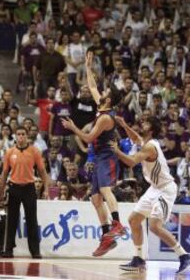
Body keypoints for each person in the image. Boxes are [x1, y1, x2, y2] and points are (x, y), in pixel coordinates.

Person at [111, 116, 190, 274]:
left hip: (166, 189)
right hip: (155, 188)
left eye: (146, 122)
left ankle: (184, 256)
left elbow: (131, 161)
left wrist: (115, 150)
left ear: (151, 129)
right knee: (134, 220)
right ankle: (138, 259)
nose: (142, 123)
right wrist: (124, 125)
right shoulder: (146, 141)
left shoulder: (150, 147)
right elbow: (135, 137)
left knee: (155, 226)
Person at [61, 52, 126, 257]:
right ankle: (107, 236)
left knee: (106, 191)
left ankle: (117, 224)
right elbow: (92, 86)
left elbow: (88, 139)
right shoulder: (102, 106)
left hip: (107, 156)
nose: (102, 92)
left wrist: (73, 128)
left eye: (106, 92)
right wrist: (88, 68)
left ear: (110, 99)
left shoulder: (106, 118)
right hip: (98, 158)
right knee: (96, 199)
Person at [0, 126, 49, 258]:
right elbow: (4, 173)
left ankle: (35, 251)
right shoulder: (9, 152)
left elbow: (42, 171)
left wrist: (47, 189)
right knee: (12, 220)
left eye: (23, 134)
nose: (21, 137)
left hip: (29, 188)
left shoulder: (34, 151)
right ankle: (8, 250)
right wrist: (1, 191)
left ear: (27, 136)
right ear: (15, 136)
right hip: (14, 187)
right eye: (18, 134)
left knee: (32, 220)